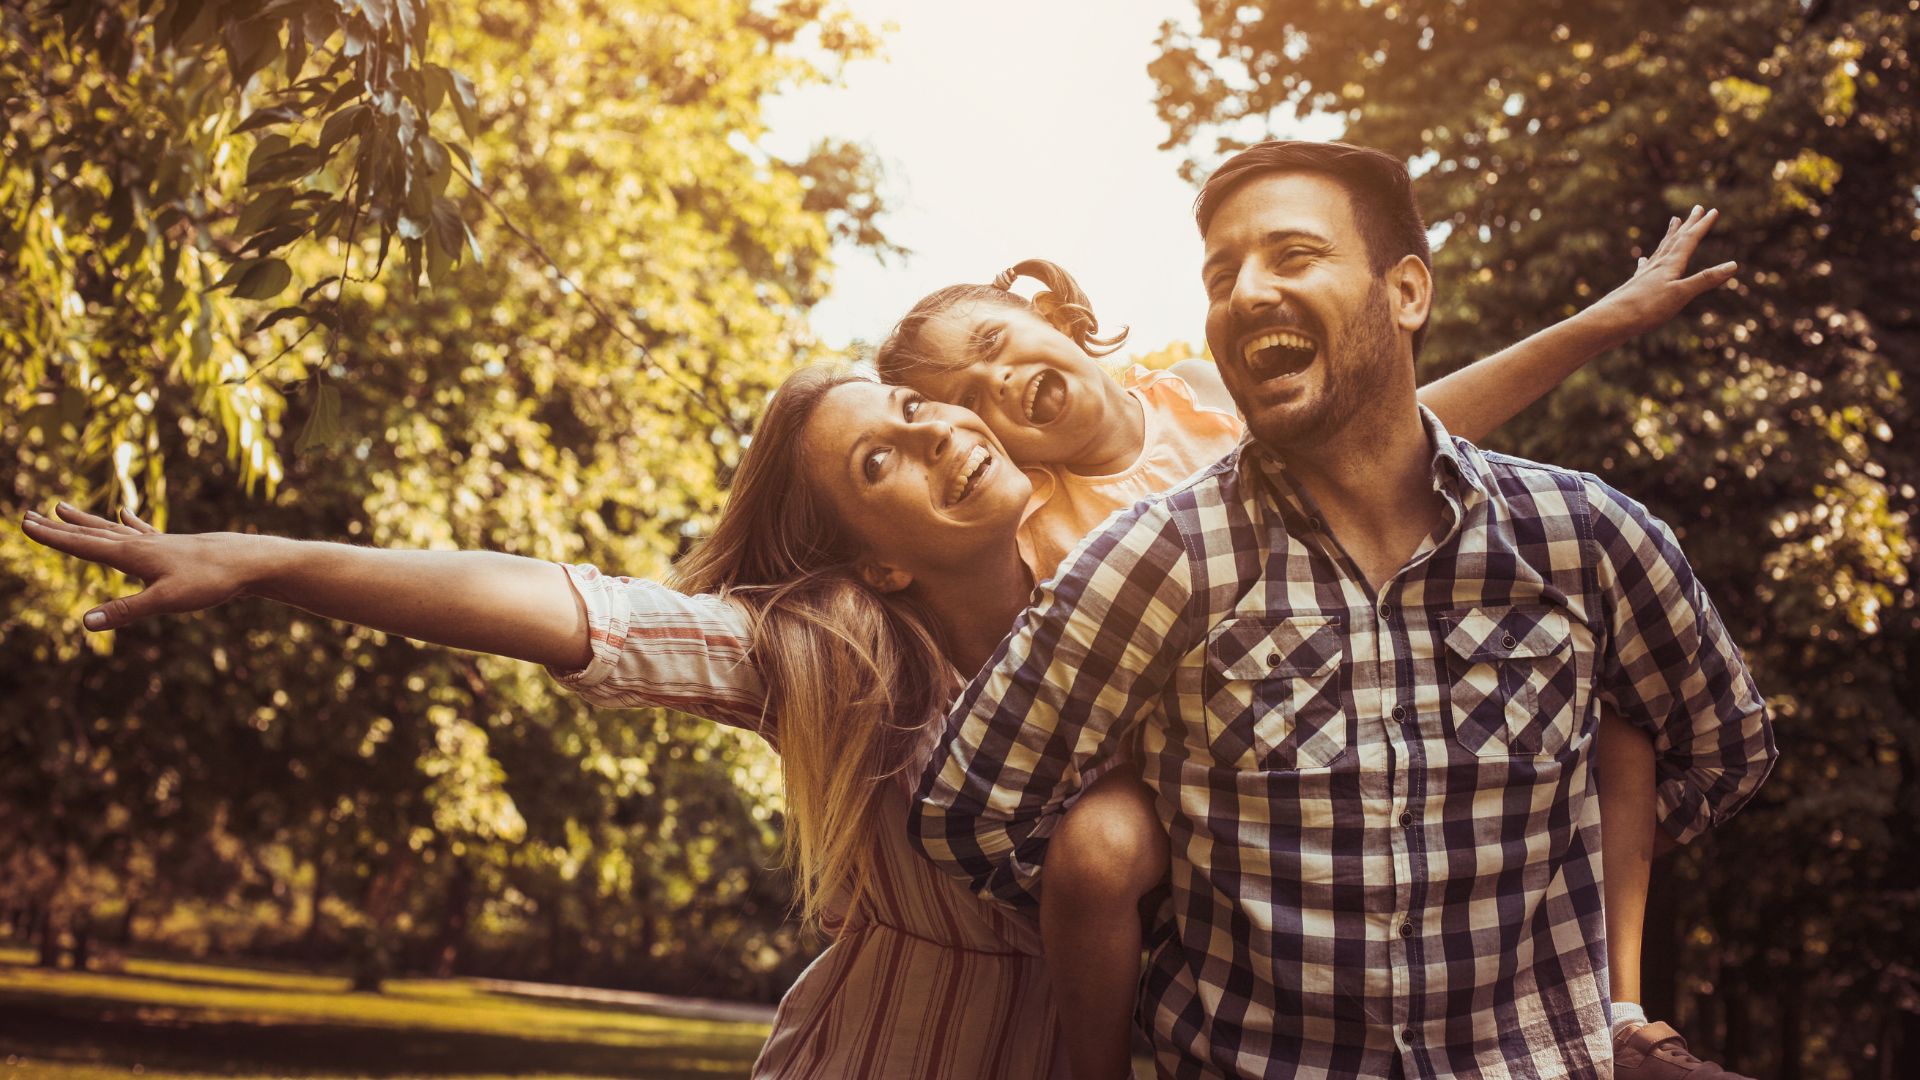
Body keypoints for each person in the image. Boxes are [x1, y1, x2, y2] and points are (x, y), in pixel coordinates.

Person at [19, 183, 1721, 1079]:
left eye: (946, 404)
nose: (952, 429)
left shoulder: (1166, 594)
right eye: (888, 453)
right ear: (873, 554)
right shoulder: (824, 655)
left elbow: (1416, 436)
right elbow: (546, 604)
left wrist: (1609, 319)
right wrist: (259, 552)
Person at [909, 140, 1776, 1080]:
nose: (1244, 292)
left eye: (1292, 256)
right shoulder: (1142, 556)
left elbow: (1722, 747)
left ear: (1406, 292)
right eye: (1221, 274)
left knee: (1621, 727)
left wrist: (1553, 878)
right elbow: (972, 814)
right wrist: (1186, 897)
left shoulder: (1583, 537)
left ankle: (1621, 1014)